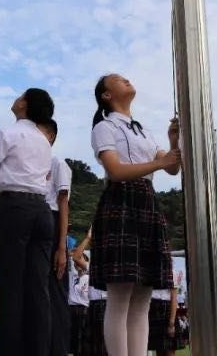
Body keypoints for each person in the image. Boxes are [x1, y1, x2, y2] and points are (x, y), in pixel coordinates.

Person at [89, 73, 181, 356]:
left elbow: (172, 167)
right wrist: (160, 162)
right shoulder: (104, 127)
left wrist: (173, 141)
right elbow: (115, 171)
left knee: (143, 298)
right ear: (107, 95)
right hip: (122, 202)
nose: (127, 80)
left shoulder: (143, 130)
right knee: (119, 297)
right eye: (119, 79)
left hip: (146, 202)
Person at [0, 88, 58, 355]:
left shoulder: (7, 134)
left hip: (15, 209)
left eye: (20, 96)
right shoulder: (43, 141)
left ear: (25, 104)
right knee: (38, 290)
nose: (16, 99)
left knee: (11, 289)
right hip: (41, 211)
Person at [38, 119, 73, 356]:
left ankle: (57, 350)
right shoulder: (27, 164)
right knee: (36, 293)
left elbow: (63, 204)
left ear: (50, 136)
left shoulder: (58, 163)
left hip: (50, 223)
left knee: (55, 294)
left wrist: (62, 247)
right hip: (32, 221)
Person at [68, 249, 91, 355]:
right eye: (76, 262)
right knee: (72, 338)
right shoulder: (72, 276)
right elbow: (69, 256)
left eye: (81, 260)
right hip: (70, 309)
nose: (77, 263)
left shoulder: (88, 278)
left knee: (82, 338)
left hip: (83, 310)